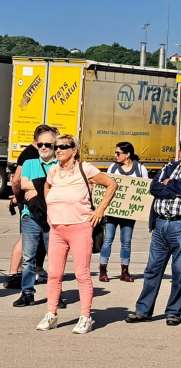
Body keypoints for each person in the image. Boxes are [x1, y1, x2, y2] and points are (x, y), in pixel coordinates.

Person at [36, 134, 117, 333]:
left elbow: (111, 184)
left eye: (64, 146)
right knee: (54, 274)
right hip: (57, 229)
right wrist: (50, 208)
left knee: (82, 274)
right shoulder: (54, 171)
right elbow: (47, 186)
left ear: (74, 149)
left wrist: (100, 210)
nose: (59, 150)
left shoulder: (85, 168)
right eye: (57, 147)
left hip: (80, 227)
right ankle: (51, 313)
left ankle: (85, 316)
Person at [125, 134, 181, 326]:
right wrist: (175, 188)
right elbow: (154, 188)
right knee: (152, 269)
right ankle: (143, 310)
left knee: (180, 271)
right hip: (160, 224)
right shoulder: (169, 167)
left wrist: (171, 184)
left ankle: (173, 312)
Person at [6, 125, 57, 289]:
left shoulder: (59, 165)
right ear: (36, 142)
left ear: (54, 146)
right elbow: (20, 183)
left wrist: (34, 188)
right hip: (31, 214)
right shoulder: (29, 161)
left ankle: (56, 294)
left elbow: (60, 187)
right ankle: (26, 291)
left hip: (52, 216)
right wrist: (22, 197)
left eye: (47, 145)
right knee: (28, 255)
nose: (43, 147)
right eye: (40, 144)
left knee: (55, 257)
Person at [99, 141, 149, 282]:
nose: (115, 155)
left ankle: (125, 271)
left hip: (128, 214)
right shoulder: (113, 168)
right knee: (108, 240)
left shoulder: (140, 169)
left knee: (126, 242)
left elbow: (144, 189)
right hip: (112, 212)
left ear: (127, 155)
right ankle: (103, 270)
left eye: (118, 153)